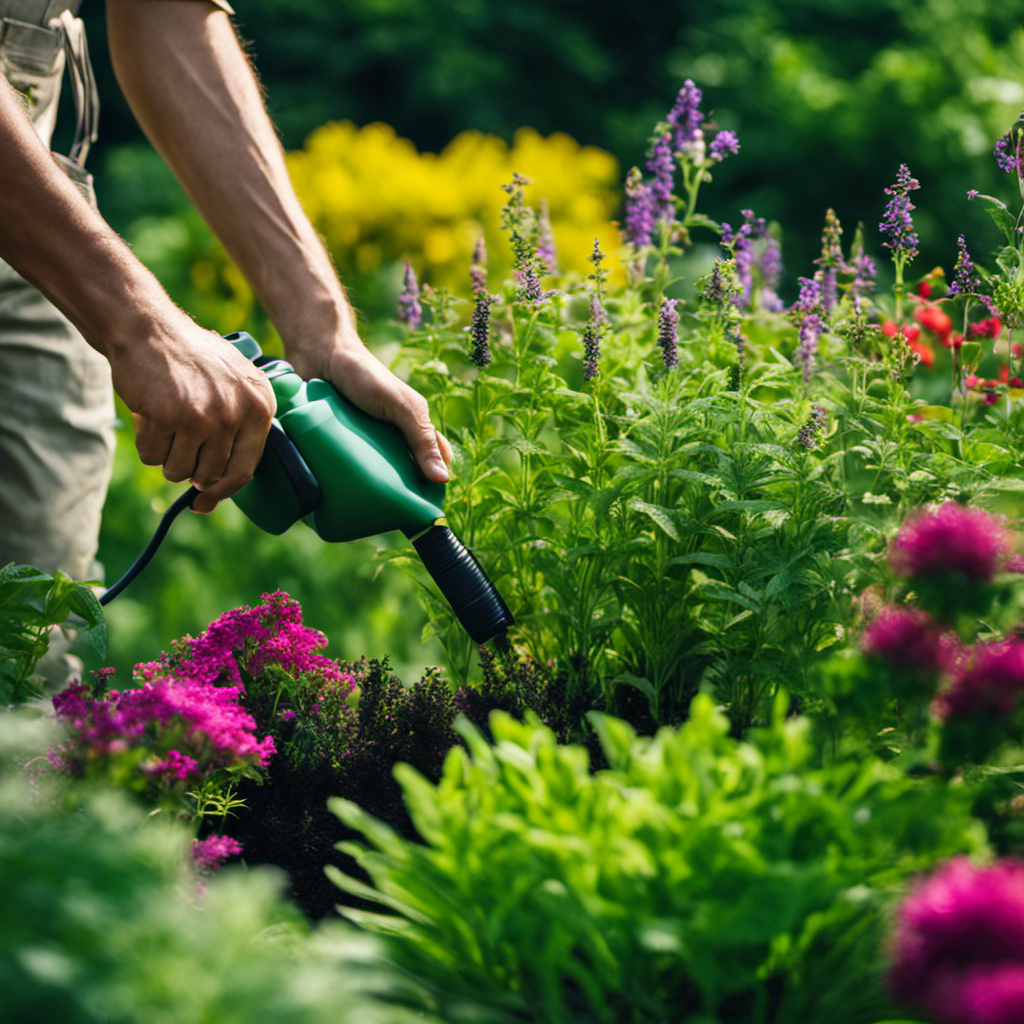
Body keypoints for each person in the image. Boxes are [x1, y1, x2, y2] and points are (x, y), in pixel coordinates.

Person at [0, 0, 451, 597]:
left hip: (31, 209)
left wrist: (322, 330)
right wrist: (144, 328)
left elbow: (167, 11)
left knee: (34, 631)